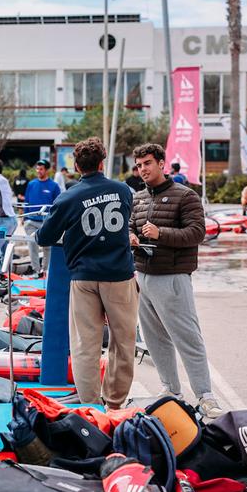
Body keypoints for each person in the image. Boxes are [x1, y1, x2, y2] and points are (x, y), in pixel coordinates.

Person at [34, 138, 138, 409]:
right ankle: (115, 402)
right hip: (119, 275)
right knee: (123, 340)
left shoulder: (67, 197)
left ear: (77, 166)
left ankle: (91, 405)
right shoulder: (123, 191)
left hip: (84, 275)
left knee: (85, 344)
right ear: (102, 162)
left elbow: (45, 237)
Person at [129, 143, 223, 418]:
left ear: (161, 163)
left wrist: (161, 234)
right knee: (155, 339)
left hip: (172, 277)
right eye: (138, 165)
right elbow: (130, 227)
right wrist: (131, 237)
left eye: (147, 163)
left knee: (187, 337)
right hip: (143, 275)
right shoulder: (138, 198)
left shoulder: (186, 196)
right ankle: (170, 390)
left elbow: (197, 233)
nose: (142, 169)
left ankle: (206, 396)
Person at [24, 159, 61, 276]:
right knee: (32, 247)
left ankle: (45, 271)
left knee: (47, 248)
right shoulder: (31, 184)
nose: (38, 171)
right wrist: (25, 219)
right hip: (31, 222)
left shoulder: (54, 186)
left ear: (47, 170)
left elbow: (58, 205)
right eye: (37, 168)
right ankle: (36, 270)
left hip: (46, 222)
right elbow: (26, 201)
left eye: (41, 169)